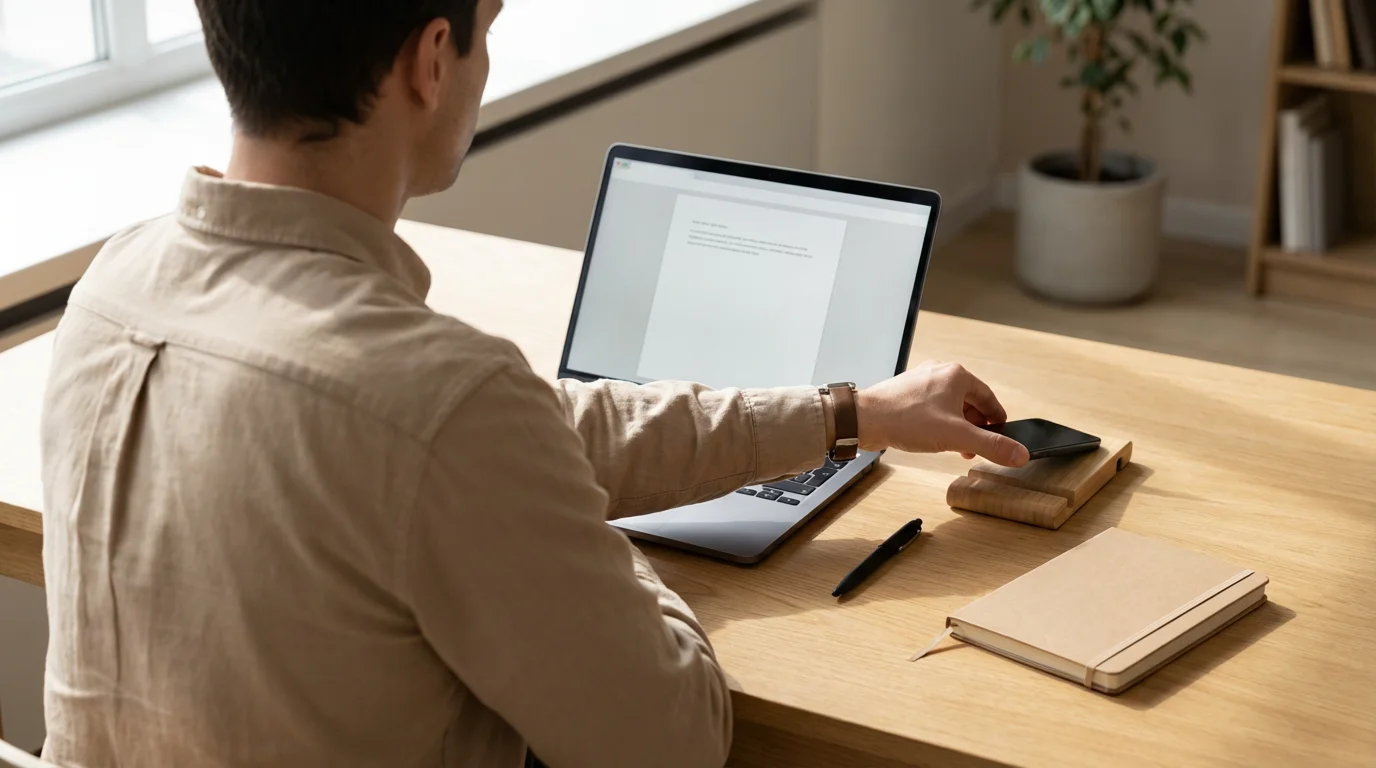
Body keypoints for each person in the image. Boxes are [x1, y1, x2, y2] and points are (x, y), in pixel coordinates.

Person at [38, 1, 1030, 766]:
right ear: (431, 60)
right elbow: (673, 738)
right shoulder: (435, 402)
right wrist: (568, 536)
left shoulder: (113, 290)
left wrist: (845, 413)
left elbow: (502, 435)